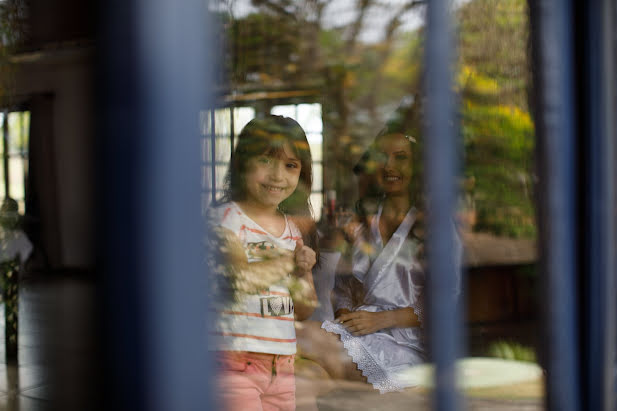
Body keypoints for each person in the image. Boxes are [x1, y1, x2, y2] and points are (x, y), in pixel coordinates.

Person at [297, 119, 461, 393]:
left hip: (407, 344)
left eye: (401, 158)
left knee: (300, 342)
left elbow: (445, 300)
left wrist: (383, 319)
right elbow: (343, 287)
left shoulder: (436, 225)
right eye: (382, 157)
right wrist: (346, 314)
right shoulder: (364, 221)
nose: (389, 166)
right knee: (303, 367)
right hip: (360, 332)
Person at [207, 115, 318, 411]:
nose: (278, 176)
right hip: (235, 361)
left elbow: (304, 310)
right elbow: (238, 281)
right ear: (243, 162)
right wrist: (288, 262)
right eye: (266, 161)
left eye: (290, 165)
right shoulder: (225, 220)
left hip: (282, 364)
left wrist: (304, 272)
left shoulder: (292, 229)